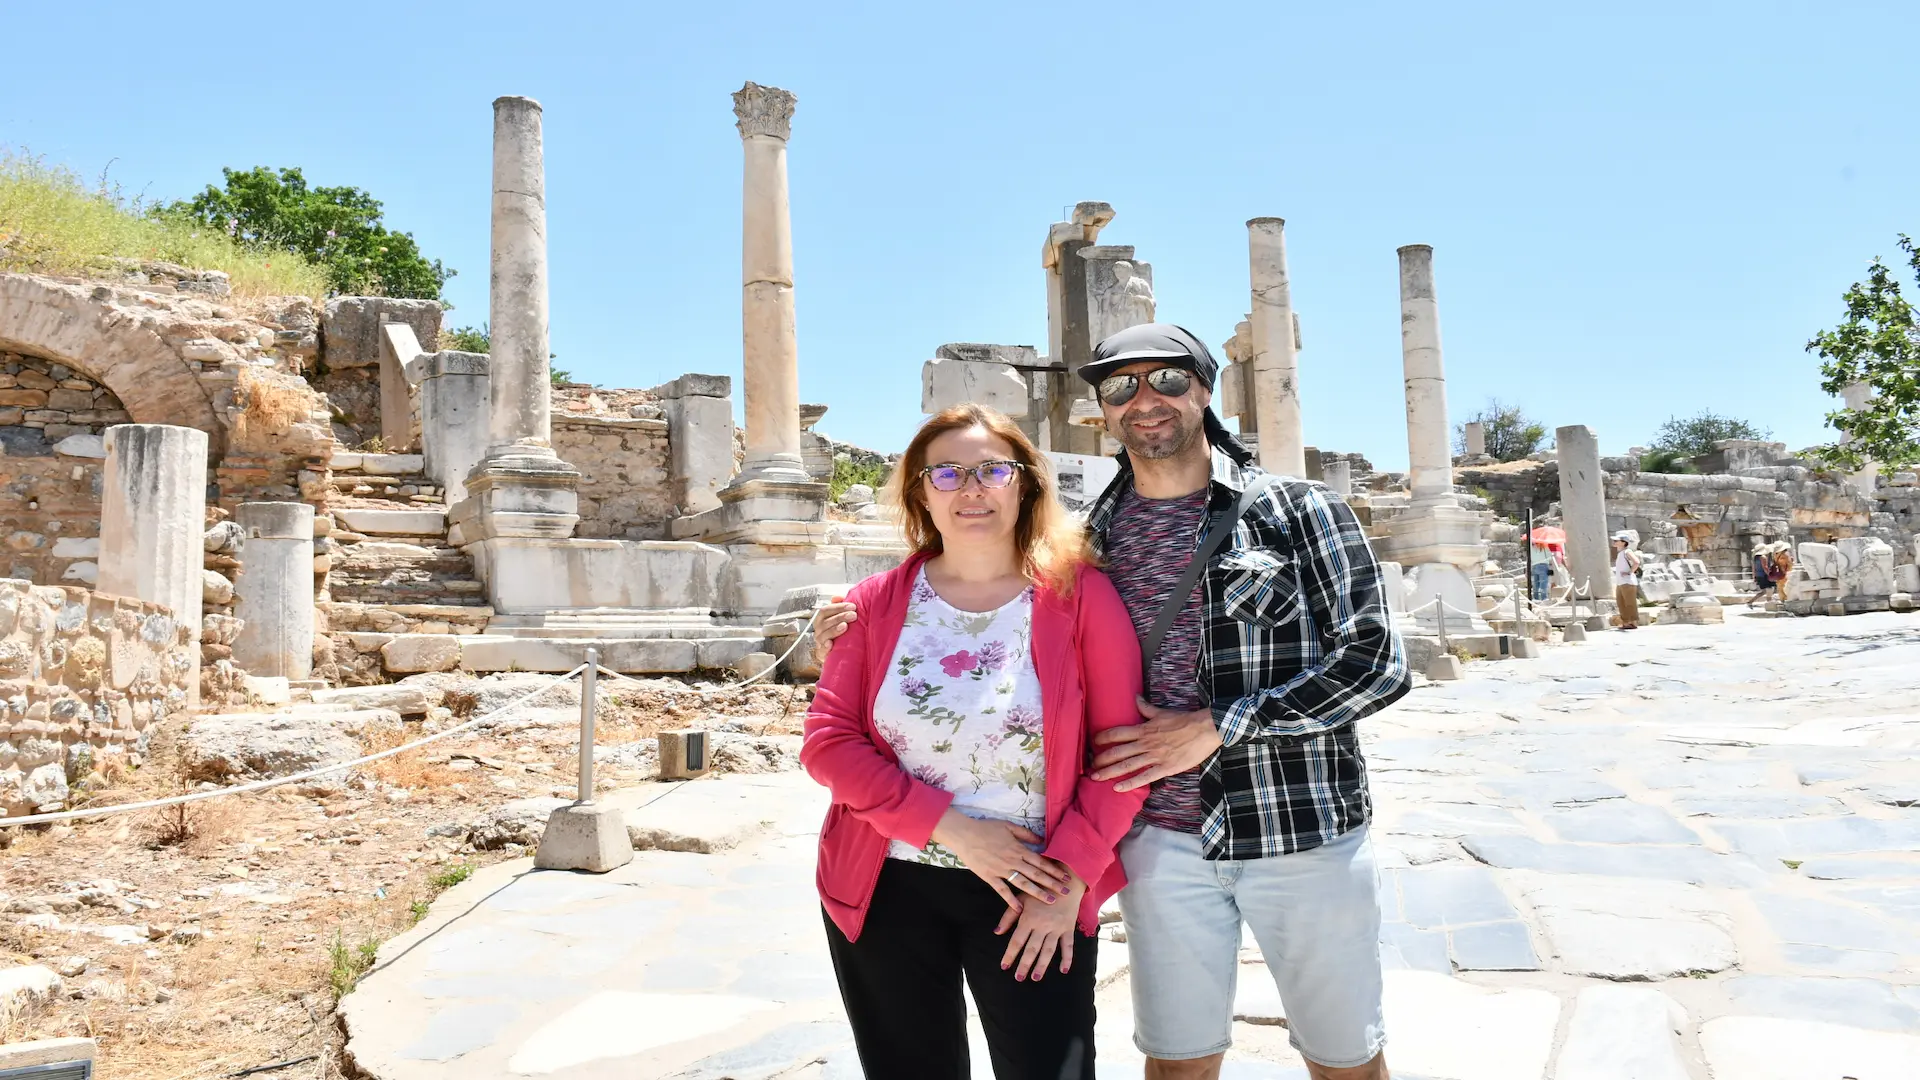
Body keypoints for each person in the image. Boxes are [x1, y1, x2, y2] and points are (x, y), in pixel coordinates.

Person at [817, 323, 1411, 1080]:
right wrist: (851, 625)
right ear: (1101, 408)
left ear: (1204, 389)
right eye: (1121, 386)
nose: (1145, 400)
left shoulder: (1298, 509)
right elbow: (973, 581)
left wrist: (1217, 728)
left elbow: (1376, 663)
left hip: (1296, 823)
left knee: (1345, 1061)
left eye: (1167, 379)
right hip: (1159, 840)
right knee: (1176, 1064)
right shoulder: (1093, 539)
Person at [801, 403, 1147, 1080]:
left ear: (1025, 485)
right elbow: (829, 744)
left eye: (993, 469)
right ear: (920, 492)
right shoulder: (871, 602)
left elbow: (1123, 755)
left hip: (1037, 888)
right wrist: (954, 831)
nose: (973, 489)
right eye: (949, 474)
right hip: (885, 885)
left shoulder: (1083, 597)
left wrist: (1070, 878)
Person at [1611, 532, 1642, 629]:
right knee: (1621, 603)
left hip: (1628, 582)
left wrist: (1630, 572)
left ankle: (1632, 622)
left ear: (1624, 542)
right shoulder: (1620, 553)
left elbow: (1636, 562)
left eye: (1617, 540)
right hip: (1621, 582)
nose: (1614, 542)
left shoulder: (1627, 552)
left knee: (1629, 603)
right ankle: (1625, 622)